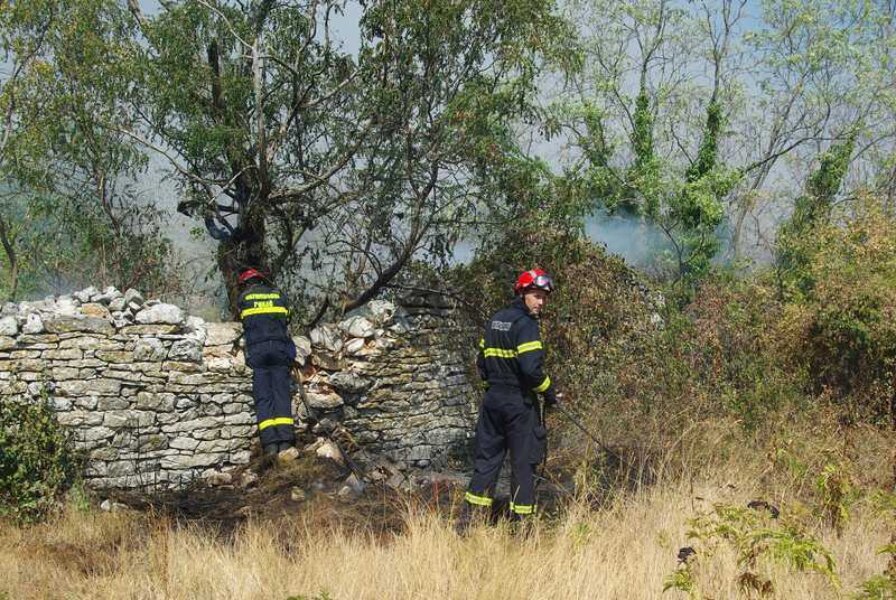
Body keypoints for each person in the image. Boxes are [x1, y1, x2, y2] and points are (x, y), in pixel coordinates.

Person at [457, 268, 560, 531]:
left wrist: (491, 389)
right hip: (518, 405)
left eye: (544, 298)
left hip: (492, 402)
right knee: (523, 465)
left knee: (486, 462)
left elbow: (481, 362)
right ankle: (521, 528)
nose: (541, 302)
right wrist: (549, 393)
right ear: (522, 294)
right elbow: (531, 370)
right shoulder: (526, 325)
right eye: (536, 296)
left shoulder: (495, 320)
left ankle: (468, 524)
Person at [236, 268, 297, 456]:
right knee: (281, 393)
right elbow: (288, 319)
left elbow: (242, 322)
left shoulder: (244, 298)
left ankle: (270, 444)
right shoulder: (278, 295)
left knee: (263, 396)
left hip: (258, 352)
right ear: (262, 280)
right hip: (279, 350)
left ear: (246, 283)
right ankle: (285, 441)